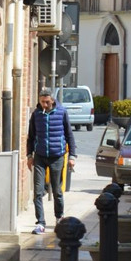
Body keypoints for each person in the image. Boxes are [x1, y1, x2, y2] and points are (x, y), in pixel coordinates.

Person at [25, 88, 77, 235]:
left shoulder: (62, 112)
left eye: (47, 102)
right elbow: (31, 137)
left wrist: (72, 156)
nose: (44, 105)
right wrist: (29, 156)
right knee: (38, 191)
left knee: (57, 190)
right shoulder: (36, 115)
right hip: (40, 156)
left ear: (52, 100)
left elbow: (69, 135)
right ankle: (40, 222)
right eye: (42, 102)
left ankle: (59, 217)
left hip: (57, 156)